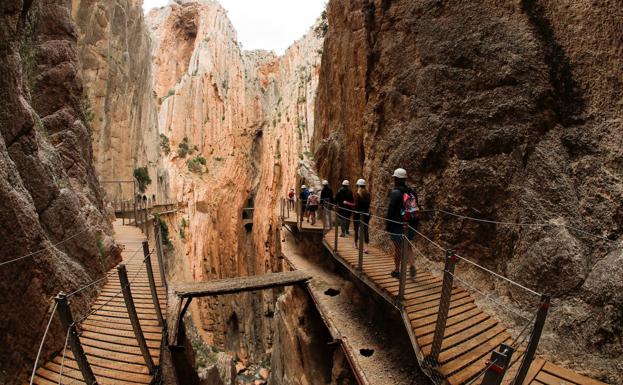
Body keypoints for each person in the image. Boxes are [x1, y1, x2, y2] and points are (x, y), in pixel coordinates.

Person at [386, 168, 420, 279]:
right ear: (404, 179)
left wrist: (388, 225)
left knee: (398, 248)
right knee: (408, 245)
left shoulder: (396, 192)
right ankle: (412, 265)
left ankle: (397, 270)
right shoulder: (412, 192)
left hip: (398, 224)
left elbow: (391, 210)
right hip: (411, 223)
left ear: (395, 179)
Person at [345, 179, 371, 252]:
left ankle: (356, 244)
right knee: (365, 230)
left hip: (357, 213)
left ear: (358, 185)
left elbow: (355, 205)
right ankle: (366, 247)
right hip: (366, 214)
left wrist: (347, 203)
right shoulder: (368, 194)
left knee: (356, 229)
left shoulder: (357, 194)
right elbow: (368, 204)